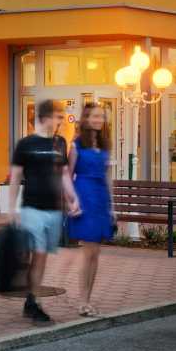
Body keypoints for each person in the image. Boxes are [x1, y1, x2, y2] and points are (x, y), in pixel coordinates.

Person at [7, 99, 81, 324]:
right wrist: (11, 209)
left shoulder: (60, 143)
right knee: (38, 253)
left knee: (41, 258)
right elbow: (15, 177)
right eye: (58, 117)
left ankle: (30, 299)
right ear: (45, 118)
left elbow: (64, 174)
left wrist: (72, 197)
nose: (61, 121)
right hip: (32, 208)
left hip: (54, 210)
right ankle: (35, 302)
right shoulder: (26, 144)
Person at [65, 102, 115, 316]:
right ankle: (83, 302)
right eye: (95, 116)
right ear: (85, 118)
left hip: (101, 198)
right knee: (89, 252)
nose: (98, 120)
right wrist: (71, 201)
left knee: (96, 253)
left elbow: (108, 177)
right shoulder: (76, 144)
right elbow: (68, 175)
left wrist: (112, 206)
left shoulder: (104, 144)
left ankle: (87, 299)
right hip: (84, 197)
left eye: (101, 116)